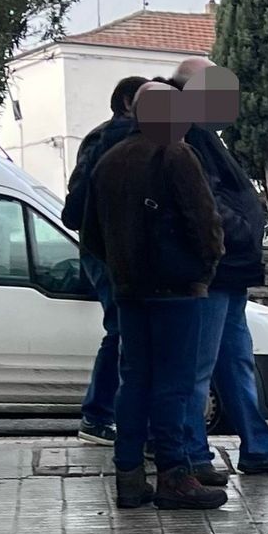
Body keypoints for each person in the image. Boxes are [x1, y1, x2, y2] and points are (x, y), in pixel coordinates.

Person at [81, 81, 227, 510]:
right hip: (177, 289)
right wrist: (205, 265)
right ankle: (174, 475)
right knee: (175, 384)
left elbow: (90, 233)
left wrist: (120, 269)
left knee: (135, 381)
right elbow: (204, 221)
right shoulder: (177, 154)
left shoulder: (109, 160)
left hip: (129, 288)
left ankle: (129, 474)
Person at [170, 57, 268, 479]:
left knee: (235, 361)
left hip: (230, 271)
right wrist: (240, 230)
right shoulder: (187, 136)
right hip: (214, 270)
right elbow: (203, 202)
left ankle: (257, 447)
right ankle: (194, 455)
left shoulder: (205, 135)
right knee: (199, 368)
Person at [62, 74, 148, 446]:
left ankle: (104, 415)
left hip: (106, 248)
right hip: (110, 250)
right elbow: (80, 204)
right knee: (122, 330)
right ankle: (99, 415)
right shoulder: (114, 138)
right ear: (129, 102)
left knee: (123, 331)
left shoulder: (102, 138)